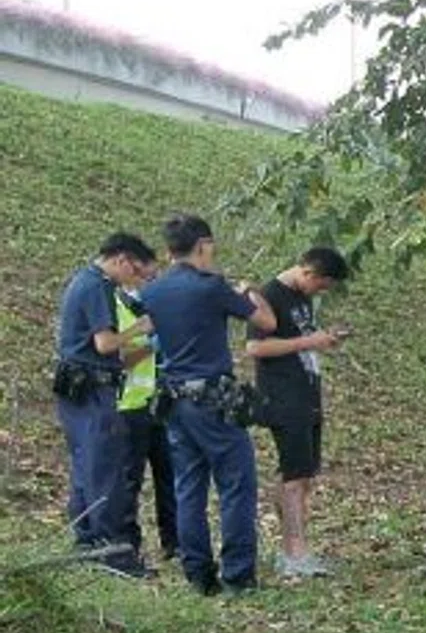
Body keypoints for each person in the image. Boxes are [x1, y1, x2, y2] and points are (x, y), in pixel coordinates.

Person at [141, 214, 276, 595]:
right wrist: (250, 291)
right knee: (236, 483)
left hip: (173, 398)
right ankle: (238, 574)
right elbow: (265, 321)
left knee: (188, 487)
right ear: (203, 245)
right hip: (214, 399)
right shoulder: (211, 287)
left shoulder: (153, 292)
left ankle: (198, 573)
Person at [243, 247, 351, 580]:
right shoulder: (268, 295)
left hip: (307, 394)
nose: (321, 292)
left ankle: (296, 546)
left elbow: (301, 338)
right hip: (283, 397)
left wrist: (323, 339)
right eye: (322, 285)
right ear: (309, 273)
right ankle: (293, 552)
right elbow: (255, 348)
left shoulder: (301, 298)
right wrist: (307, 343)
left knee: (304, 476)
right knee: (293, 477)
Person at [54, 232, 158, 579]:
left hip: (74, 391)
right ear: (122, 260)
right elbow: (104, 343)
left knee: (85, 466)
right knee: (106, 469)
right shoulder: (98, 286)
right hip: (93, 388)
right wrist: (141, 328)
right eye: (138, 273)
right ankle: (111, 549)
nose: (137, 281)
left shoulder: (80, 280)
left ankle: (85, 540)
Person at [115, 262, 178, 565]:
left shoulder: (157, 309)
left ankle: (175, 543)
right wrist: (151, 344)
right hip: (130, 406)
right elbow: (116, 359)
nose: (150, 284)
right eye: (146, 277)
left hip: (163, 403)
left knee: (171, 475)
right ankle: (127, 546)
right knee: (130, 479)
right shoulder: (116, 307)